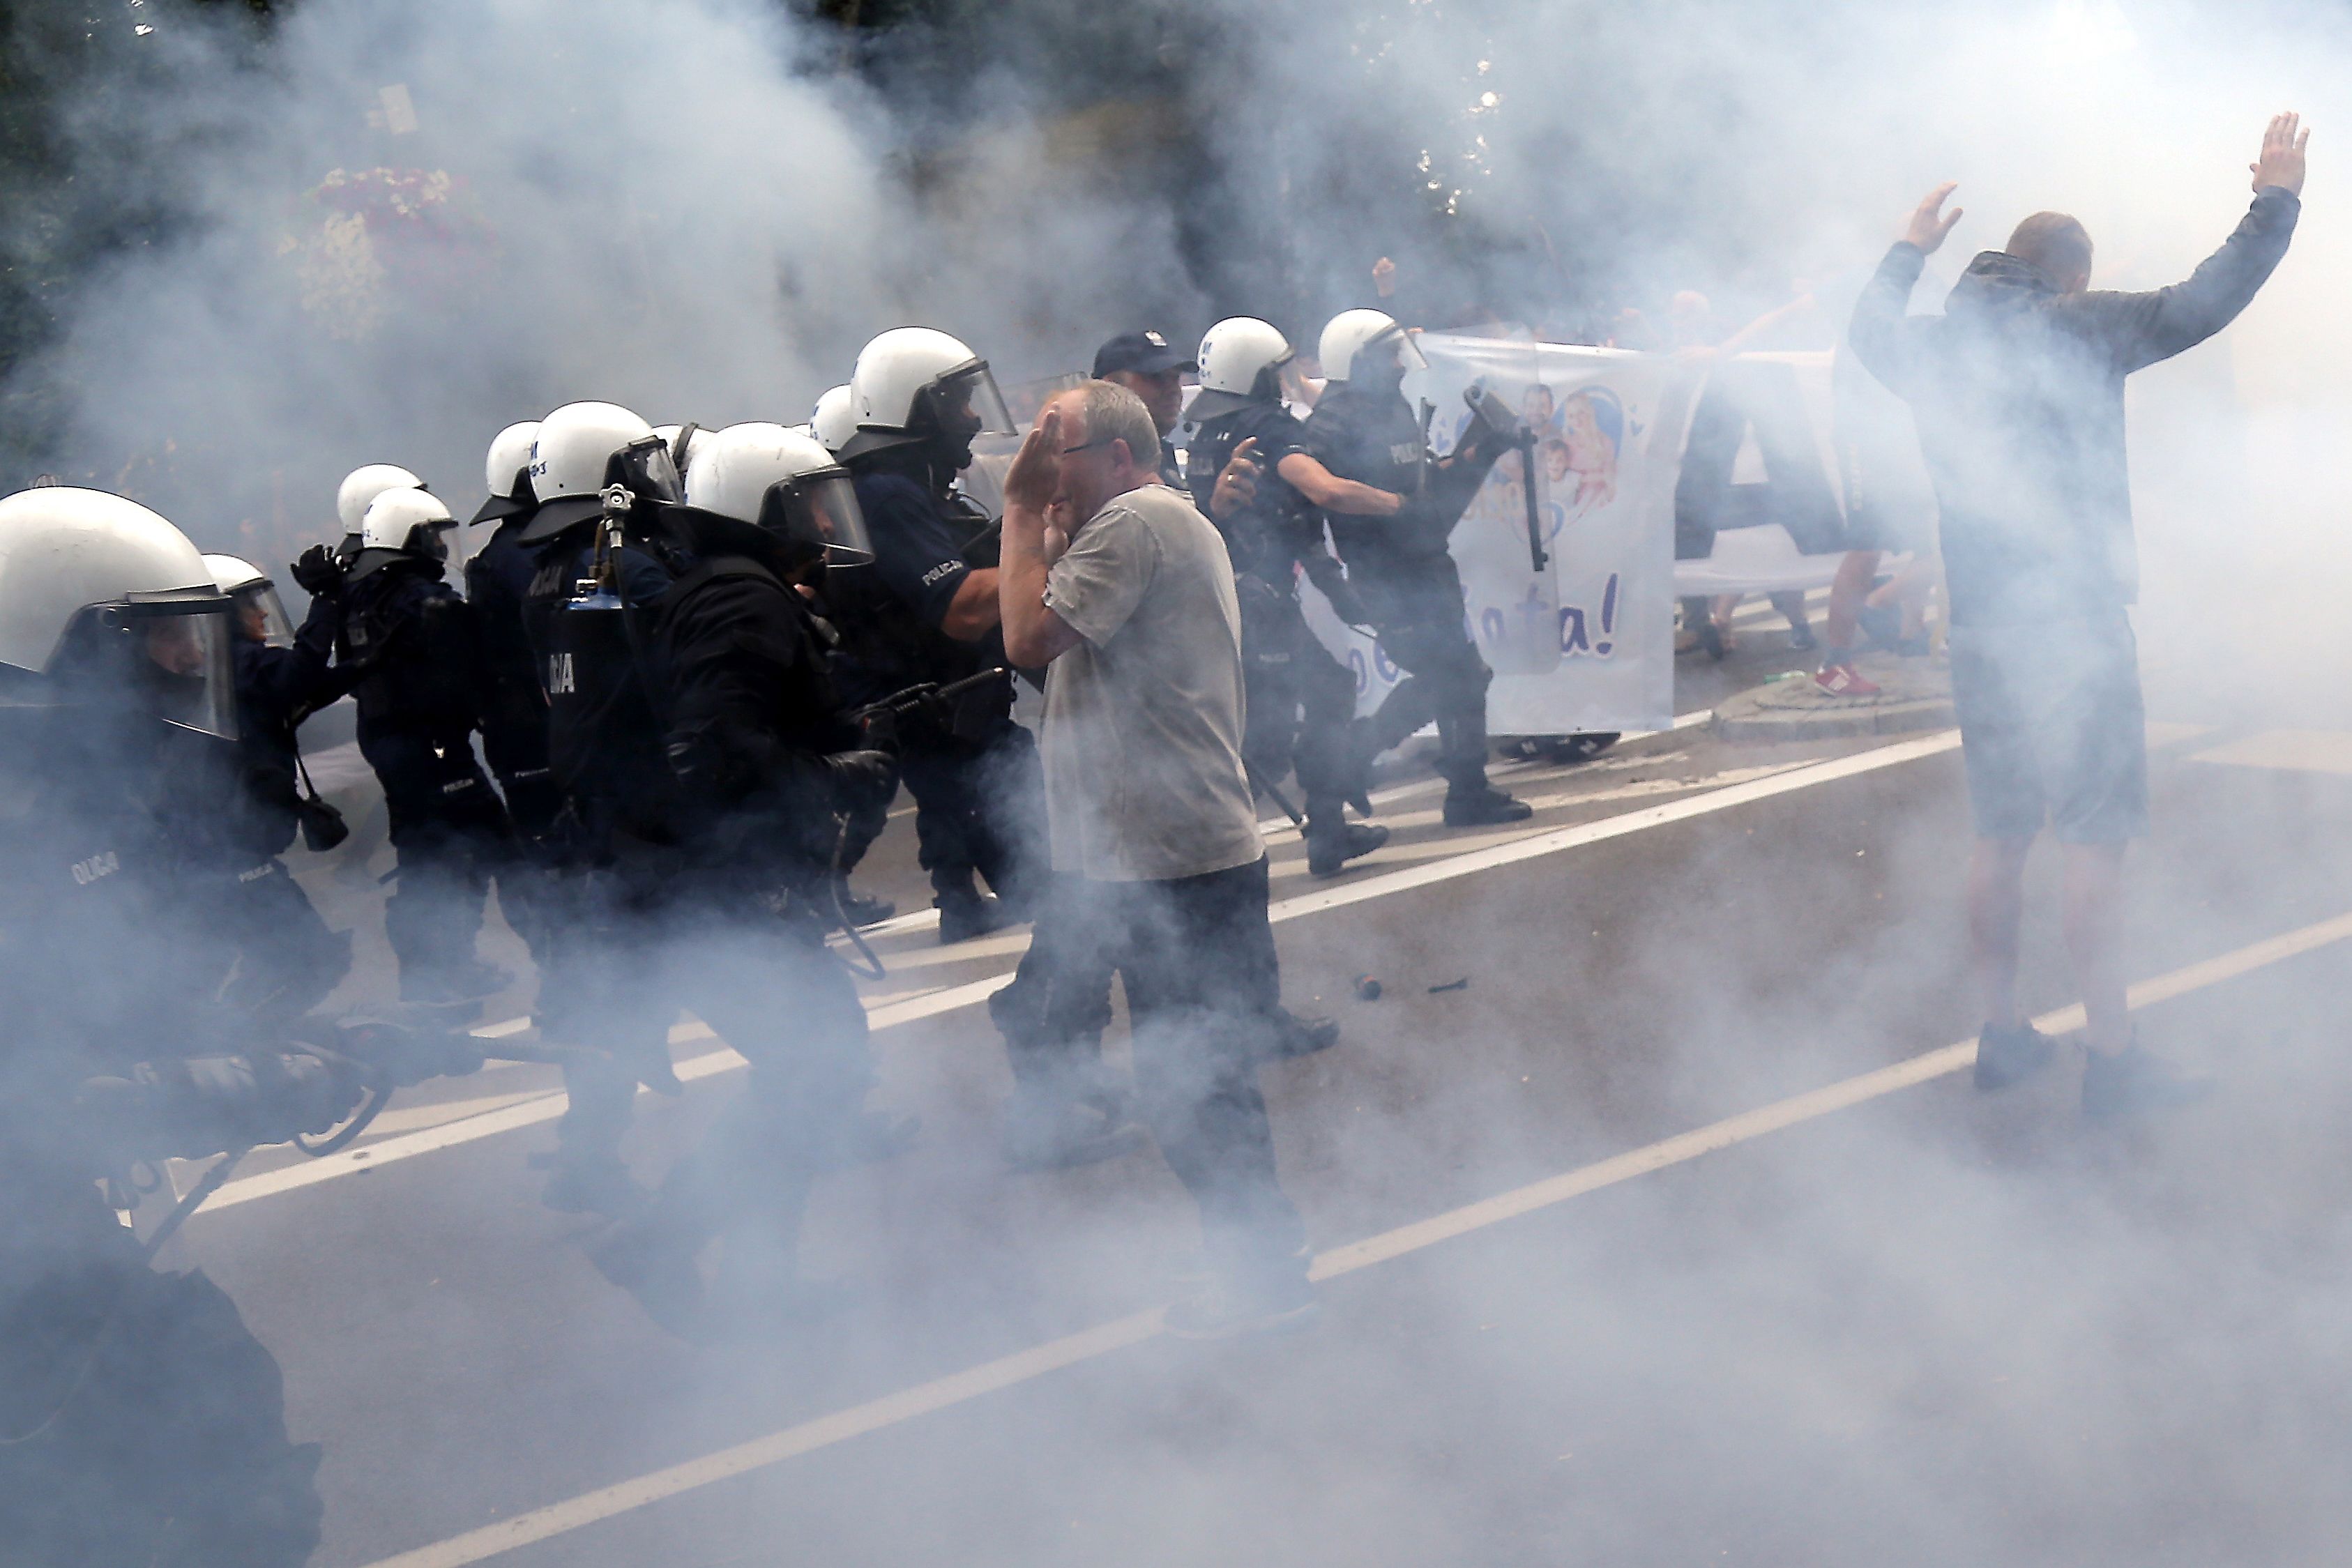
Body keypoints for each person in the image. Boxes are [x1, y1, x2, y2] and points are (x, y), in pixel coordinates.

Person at [1849, 112, 2307, 1120]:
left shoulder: (1928, 350)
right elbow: (2205, 301)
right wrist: (2275, 198)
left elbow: (1865, 333)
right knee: (2093, 841)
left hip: (1979, 628)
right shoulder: (2080, 325)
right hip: (2075, 626)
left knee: (2000, 833)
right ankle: (2112, 1057)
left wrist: (1904, 252)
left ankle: (2002, 1031)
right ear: (2069, 275)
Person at [0, 486, 342, 1566]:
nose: (193, 665)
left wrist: (314, 1040)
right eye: (160, 642)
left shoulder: (63, 793)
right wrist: (248, 1080)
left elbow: (102, 1003)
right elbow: (41, 1090)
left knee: (195, 1405)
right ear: (62, 647)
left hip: (41, 1234)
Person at [998, 379, 1317, 1339]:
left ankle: (1264, 1279)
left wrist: (1016, 511)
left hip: (1170, 859)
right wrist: (1047, 524)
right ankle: (1259, 1265)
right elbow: (1061, 613)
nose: (1048, 473)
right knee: (1194, 1078)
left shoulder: (1136, 521)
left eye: (1063, 452)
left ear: (1120, 457)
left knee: (1194, 1085)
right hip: (1154, 855)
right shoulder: (1150, 521)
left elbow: (1025, 636)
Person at [580, 422, 909, 1336]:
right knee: (820, 1065)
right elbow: (713, 748)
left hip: (697, 877)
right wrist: (830, 775)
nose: (821, 521)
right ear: (757, 512)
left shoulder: (729, 588)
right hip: (717, 884)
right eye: (804, 503)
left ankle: (748, 1276)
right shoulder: (741, 597)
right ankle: (661, 1239)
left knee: (810, 1068)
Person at [830, 326, 1045, 944]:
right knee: (1054, 877)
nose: (972, 415)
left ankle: (967, 908)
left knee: (1026, 860)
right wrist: (1049, 549)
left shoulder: (909, 488)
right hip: (937, 699)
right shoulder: (888, 494)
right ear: (915, 406)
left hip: (952, 698)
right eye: (955, 401)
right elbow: (956, 605)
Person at [1301, 308, 1531, 826]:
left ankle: (1449, 784)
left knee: (1459, 674)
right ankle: (1364, 760)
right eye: (1388, 356)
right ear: (1355, 360)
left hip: (1424, 562)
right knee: (1455, 675)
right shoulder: (1331, 424)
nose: (1401, 366)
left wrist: (1486, 445)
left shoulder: (1392, 404)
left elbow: (1427, 481)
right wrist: (1332, 580)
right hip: (1385, 573)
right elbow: (1311, 506)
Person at [1188, 314, 1391, 876]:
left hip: (1228, 601)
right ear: (1253, 374)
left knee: (1306, 702)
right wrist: (1401, 504)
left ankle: (1322, 830)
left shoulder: (1208, 433)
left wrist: (1332, 584)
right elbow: (1319, 490)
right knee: (1271, 734)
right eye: (1276, 370)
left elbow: (1285, 523)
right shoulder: (1268, 427)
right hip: (1259, 604)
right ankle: (1204, 855)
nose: (1285, 379)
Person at [331, 486, 514, 1007]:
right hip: (435, 745)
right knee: (486, 846)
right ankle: (441, 971)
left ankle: (436, 971)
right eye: (430, 535)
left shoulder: (359, 596)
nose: (439, 546)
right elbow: (468, 668)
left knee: (425, 853)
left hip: (392, 741)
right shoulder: (424, 600)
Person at [194, 551, 356, 1020]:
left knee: (288, 962)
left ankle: (237, 1036)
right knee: (308, 960)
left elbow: (305, 688)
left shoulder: (230, 668)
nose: (263, 612)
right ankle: (234, 1044)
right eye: (250, 606)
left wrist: (368, 662)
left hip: (241, 848)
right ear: (224, 616)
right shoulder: (237, 664)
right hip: (235, 851)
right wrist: (325, 604)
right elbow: (296, 676)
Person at [1091, 329, 1195, 488]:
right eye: (1157, 378)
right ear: (1111, 386)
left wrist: (1218, 510)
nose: (1173, 390)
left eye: (1175, 378)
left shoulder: (1160, 454)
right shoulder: (1089, 463)